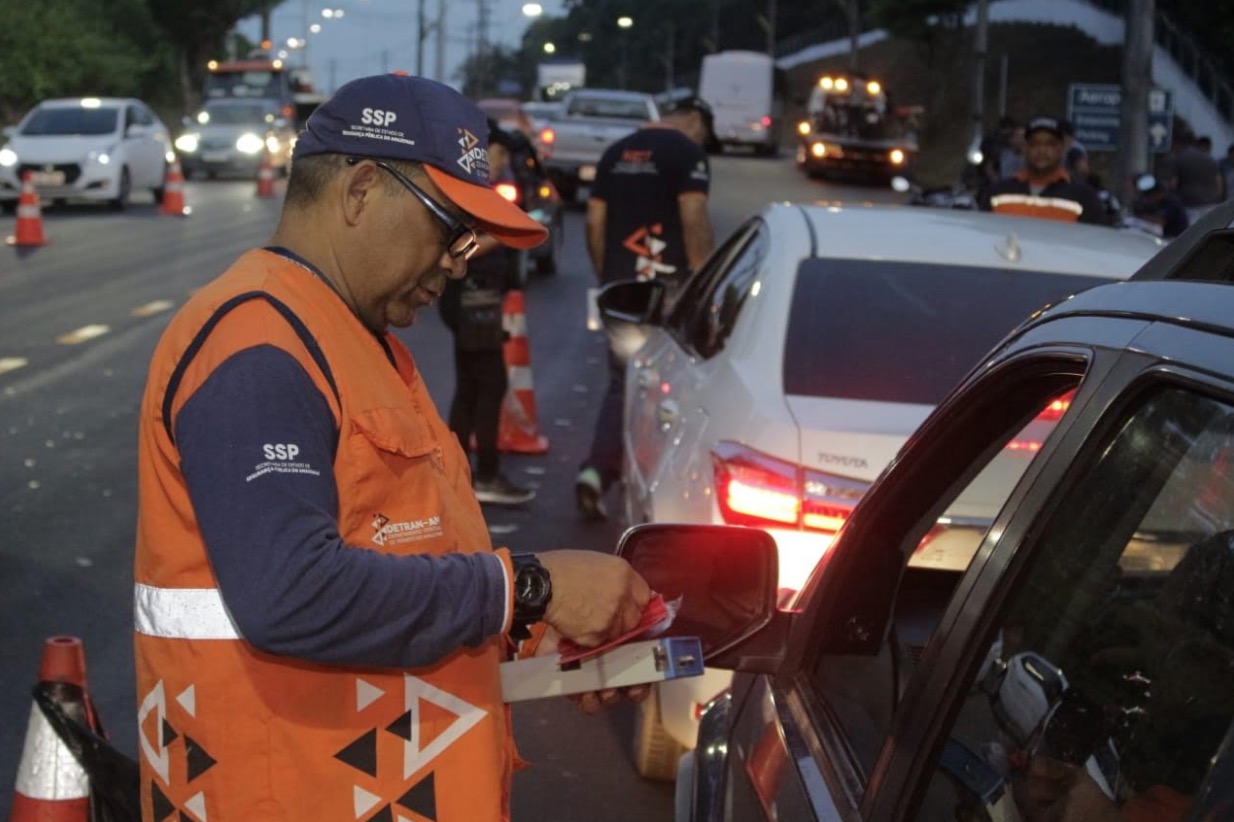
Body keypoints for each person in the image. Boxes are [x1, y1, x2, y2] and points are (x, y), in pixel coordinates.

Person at [132, 74, 651, 821]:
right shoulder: (257, 348)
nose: (460, 262)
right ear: (362, 189)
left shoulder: (351, 340)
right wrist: (531, 586)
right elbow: (293, 595)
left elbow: (397, 576)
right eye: (452, 231)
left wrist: (534, 637)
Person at [575, 96, 718, 520]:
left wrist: (608, 278)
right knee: (674, 388)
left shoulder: (616, 152)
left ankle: (596, 473)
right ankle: (657, 488)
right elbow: (693, 219)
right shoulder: (688, 154)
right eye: (704, 133)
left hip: (621, 290)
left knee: (624, 383)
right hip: (669, 292)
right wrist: (703, 282)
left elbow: (594, 222)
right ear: (694, 121)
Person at [438, 121, 534, 506]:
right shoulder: (465, 191)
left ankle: (459, 473)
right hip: (471, 298)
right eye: (499, 153)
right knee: (489, 384)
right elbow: (459, 248)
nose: (503, 162)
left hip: (477, 298)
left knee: (471, 387)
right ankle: (486, 475)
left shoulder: (476, 189)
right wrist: (508, 233)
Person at [979, 115, 1110, 225]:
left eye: (1050, 144)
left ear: (1061, 149)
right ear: (1025, 148)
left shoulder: (1083, 197)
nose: (1042, 151)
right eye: (1035, 144)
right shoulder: (998, 192)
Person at [1167, 133, 1223, 211]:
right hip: (1209, 202)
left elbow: (1173, 183)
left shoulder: (1179, 158)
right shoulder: (1211, 160)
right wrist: (1218, 197)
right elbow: (1218, 182)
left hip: (1188, 202)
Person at [1131, 172, 1189, 238]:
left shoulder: (1171, 202)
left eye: (1150, 197)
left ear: (1157, 194)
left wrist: (1141, 216)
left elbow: (1161, 221)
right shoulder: (1157, 202)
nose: (1150, 199)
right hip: (1164, 235)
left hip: (1175, 237)